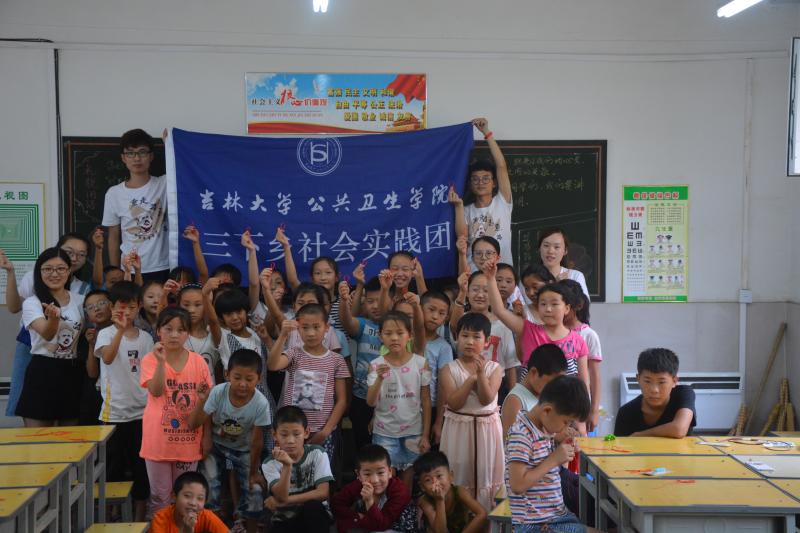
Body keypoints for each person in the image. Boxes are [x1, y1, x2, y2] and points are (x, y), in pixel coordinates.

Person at [1, 233, 91, 419]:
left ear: (68, 270)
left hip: (70, 364)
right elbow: (15, 307)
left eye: (81, 254)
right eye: (70, 252)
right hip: (36, 352)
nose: (75, 258)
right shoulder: (33, 296)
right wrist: (10, 272)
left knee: (69, 427)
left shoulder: (82, 294)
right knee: (33, 416)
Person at [188, 349, 271, 533]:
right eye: (237, 377)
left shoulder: (261, 403)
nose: (242, 384)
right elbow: (196, 422)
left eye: (249, 379)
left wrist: (254, 472)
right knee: (209, 485)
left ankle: (251, 529)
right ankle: (212, 527)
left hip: (244, 449)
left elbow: (257, 441)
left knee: (255, 490)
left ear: (259, 379)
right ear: (227, 374)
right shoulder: (218, 392)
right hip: (217, 446)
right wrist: (202, 403)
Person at [140, 308, 212, 516]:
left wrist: (207, 436)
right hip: (158, 441)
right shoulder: (150, 359)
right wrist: (161, 362)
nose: (174, 335)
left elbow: (206, 403)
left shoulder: (199, 362)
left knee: (186, 497)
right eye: (168, 329)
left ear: (188, 332)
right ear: (158, 331)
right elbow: (156, 390)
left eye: (181, 330)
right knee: (160, 497)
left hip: (188, 441)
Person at [505, 375, 599, 533]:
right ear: (547, 410)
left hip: (555, 517)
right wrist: (554, 459)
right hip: (535, 525)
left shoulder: (542, 428)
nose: (566, 427)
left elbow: (540, 462)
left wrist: (563, 444)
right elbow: (517, 485)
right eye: (566, 422)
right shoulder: (521, 434)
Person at [95, 281, 153, 520]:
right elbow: (107, 358)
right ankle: (113, 511)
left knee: (141, 467)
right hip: (114, 413)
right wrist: (119, 331)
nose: (126, 312)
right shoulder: (106, 333)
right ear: (111, 307)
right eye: (121, 306)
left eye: (131, 307)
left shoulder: (146, 338)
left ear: (139, 307)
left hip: (142, 413)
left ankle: (140, 514)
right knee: (114, 467)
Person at [268, 303, 350, 466]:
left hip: (321, 431)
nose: (311, 333)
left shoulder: (336, 360)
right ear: (298, 328)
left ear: (326, 328)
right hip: (291, 432)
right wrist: (283, 335)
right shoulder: (294, 353)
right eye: (305, 328)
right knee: (288, 471)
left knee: (318, 472)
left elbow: (342, 400)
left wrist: (326, 431)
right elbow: (272, 365)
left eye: (316, 327)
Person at [485, 262, 589, 389]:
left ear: (567, 308)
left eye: (554, 304)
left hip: (563, 400)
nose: (548, 309)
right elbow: (499, 310)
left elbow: (583, 384)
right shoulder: (528, 330)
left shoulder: (578, 341)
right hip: (529, 399)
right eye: (543, 304)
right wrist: (490, 279)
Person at [438, 312, 504, 512]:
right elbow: (454, 403)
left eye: (476, 337)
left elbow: (486, 399)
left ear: (487, 342)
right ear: (456, 337)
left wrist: (481, 375)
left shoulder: (494, 368)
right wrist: (471, 380)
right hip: (459, 429)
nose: (469, 341)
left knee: (487, 473)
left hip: (487, 431)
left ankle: (486, 519)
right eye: (465, 335)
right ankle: (459, 520)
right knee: (458, 472)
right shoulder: (448, 369)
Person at [15, 247, 85, 426]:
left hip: (72, 371)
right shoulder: (32, 303)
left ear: (69, 271)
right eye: (48, 269)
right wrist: (53, 319)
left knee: (71, 439)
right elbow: (47, 334)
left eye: (60, 268)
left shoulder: (80, 300)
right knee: (39, 439)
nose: (54, 274)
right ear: (39, 272)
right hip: (43, 371)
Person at [366, 310, 432, 486]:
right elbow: (370, 402)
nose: (394, 338)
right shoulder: (375, 365)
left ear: (410, 335)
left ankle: (405, 506)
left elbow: (426, 400)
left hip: (413, 430)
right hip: (384, 431)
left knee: (407, 481)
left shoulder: (421, 363)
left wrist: (426, 435)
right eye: (388, 333)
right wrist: (379, 379)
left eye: (400, 333)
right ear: (380, 336)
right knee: (386, 480)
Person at [102, 128, 169, 282]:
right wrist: (115, 272)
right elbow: (113, 236)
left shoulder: (164, 184)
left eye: (142, 152)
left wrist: (170, 145)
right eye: (130, 153)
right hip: (128, 268)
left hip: (162, 266)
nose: (137, 158)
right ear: (123, 158)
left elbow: (183, 168)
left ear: (151, 156)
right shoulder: (114, 193)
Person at [450, 118, 513, 270]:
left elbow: (501, 166)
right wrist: (458, 206)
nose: (481, 182)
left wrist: (487, 132)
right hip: (475, 274)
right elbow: (462, 238)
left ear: (494, 182)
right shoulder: (466, 210)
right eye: (475, 179)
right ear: (470, 184)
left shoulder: (503, 202)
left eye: (486, 178)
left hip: (501, 273)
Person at [262, 406, 333, 533]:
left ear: (306, 433)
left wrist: (284, 501)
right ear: (274, 435)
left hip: (312, 516)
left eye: (296, 434)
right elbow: (281, 496)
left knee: (313, 507)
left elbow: (323, 492)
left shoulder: (317, 453)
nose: (290, 440)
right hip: (284, 518)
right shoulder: (270, 463)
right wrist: (287, 466)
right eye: (284, 435)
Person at [338, 276, 385, 451]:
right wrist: (344, 301)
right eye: (370, 301)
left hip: (389, 399)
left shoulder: (398, 326)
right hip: (361, 397)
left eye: (380, 300)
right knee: (363, 446)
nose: (375, 306)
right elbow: (347, 321)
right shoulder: (364, 324)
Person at [450, 271, 519, 392]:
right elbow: (454, 326)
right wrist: (462, 292)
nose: (480, 295)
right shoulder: (462, 319)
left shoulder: (503, 325)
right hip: (464, 383)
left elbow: (510, 364)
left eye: (486, 291)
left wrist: (513, 394)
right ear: (468, 292)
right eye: (475, 289)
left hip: (497, 385)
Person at [331, 444, 417, 533]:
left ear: (389, 472)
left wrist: (369, 502)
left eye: (380, 473)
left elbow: (382, 525)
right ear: (358, 475)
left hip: (397, 528)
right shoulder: (359, 484)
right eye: (367, 474)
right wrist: (356, 516)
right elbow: (336, 503)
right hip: (369, 524)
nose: (375, 480)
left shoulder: (400, 491)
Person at [614, 348, 696, 438]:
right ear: (638, 379)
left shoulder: (683, 393)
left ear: (674, 381)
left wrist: (639, 435)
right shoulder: (626, 412)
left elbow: (679, 429)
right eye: (647, 381)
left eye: (661, 382)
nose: (654, 390)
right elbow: (618, 445)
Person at [559, 279, 603, 433]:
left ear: (577, 305)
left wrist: (594, 410)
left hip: (579, 405)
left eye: (565, 304)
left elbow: (594, 375)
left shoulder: (588, 335)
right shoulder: (551, 332)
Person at [501, 344, 568, 436]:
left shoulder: (543, 396)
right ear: (534, 373)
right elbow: (512, 440)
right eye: (550, 383)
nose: (554, 389)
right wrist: (554, 438)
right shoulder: (515, 400)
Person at [415, 450, 487, 533]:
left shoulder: (459, 491)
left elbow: (482, 514)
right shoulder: (425, 502)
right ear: (422, 486)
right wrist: (439, 500)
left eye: (439, 476)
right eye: (428, 480)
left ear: (450, 476)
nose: (435, 483)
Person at [419, 290, 455, 446]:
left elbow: (443, 386)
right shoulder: (406, 340)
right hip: (405, 405)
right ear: (420, 309)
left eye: (441, 313)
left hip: (432, 407)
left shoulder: (444, 347)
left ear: (446, 318)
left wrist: (439, 422)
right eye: (431, 310)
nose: (435, 316)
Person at [149, 471, 228, 533]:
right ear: (174, 496)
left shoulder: (206, 517)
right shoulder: (160, 519)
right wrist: (188, 530)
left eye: (200, 498)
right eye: (187, 496)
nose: (193, 503)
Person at [177, 282, 222, 384]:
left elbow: (214, 321)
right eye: (186, 305)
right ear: (178, 305)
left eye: (198, 305)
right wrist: (164, 295)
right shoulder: (176, 334)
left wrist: (206, 297)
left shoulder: (213, 333)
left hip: (210, 392)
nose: (191, 310)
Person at [80, 289, 112, 426]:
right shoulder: (87, 336)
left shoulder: (123, 332)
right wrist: (91, 345)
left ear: (112, 305)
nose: (97, 309)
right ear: (87, 315)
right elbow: (92, 374)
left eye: (101, 303)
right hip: (97, 395)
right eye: (90, 307)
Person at [537, 228, 589, 299]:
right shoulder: (530, 278)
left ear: (565, 251)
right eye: (546, 245)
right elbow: (527, 305)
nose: (550, 251)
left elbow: (583, 304)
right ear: (539, 248)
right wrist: (555, 284)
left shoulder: (575, 276)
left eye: (556, 247)